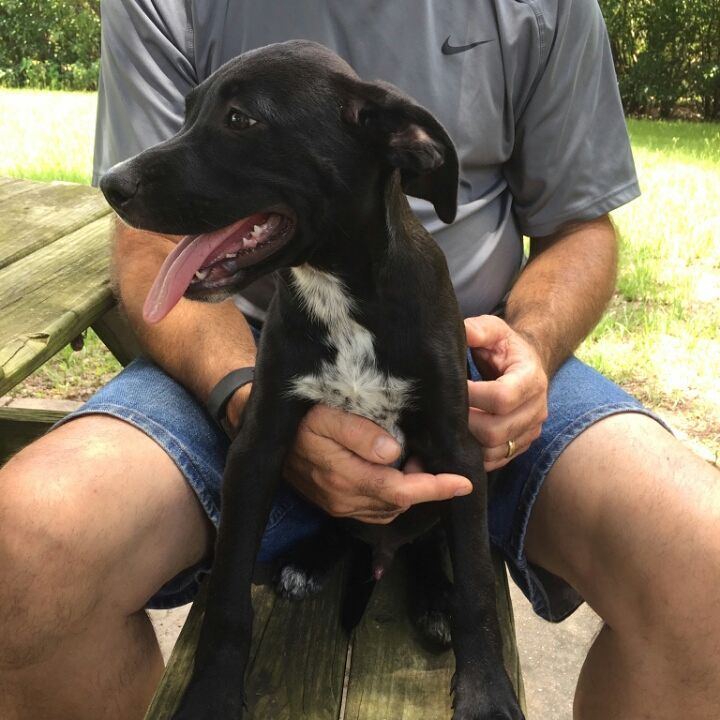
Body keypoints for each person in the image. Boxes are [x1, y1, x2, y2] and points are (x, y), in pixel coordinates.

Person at [2, 1, 718, 718]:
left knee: (706, 567)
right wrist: (245, 397)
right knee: (22, 550)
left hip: (474, 359)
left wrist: (529, 348)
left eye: (237, 122)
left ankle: (428, 578)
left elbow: (581, 227)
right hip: (237, 347)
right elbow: (147, 242)